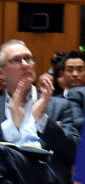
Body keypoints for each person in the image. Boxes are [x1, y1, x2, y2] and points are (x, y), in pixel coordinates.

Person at [0, 40, 79, 184]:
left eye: (28, 58)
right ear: (2, 73)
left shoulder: (59, 106)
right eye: (16, 60)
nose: (25, 64)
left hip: (47, 176)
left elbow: (74, 152)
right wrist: (13, 127)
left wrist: (41, 119)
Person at [59, 51, 85, 132]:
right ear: (62, 74)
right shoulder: (54, 102)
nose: (75, 74)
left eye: (80, 70)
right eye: (70, 70)